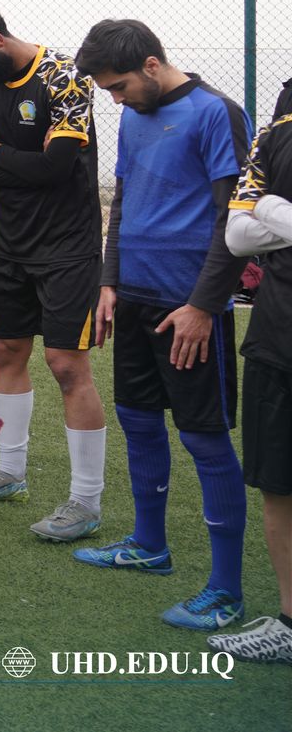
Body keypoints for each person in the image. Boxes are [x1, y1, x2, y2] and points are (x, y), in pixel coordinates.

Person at [70, 19, 251, 631]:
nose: (115, 100)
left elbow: (236, 218)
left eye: (118, 87)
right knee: (139, 420)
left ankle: (226, 591)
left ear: (151, 64)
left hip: (189, 308)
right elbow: (123, 201)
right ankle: (150, 546)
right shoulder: (134, 116)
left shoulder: (216, 113)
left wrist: (204, 305)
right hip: (135, 299)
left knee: (204, 438)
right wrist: (109, 282)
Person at [0, 3, 109, 541]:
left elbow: (59, 167)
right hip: (9, 244)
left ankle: (85, 502)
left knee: (66, 364)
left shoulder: (64, 76)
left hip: (68, 246)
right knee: (7, 351)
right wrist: (16, 158)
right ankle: (10, 474)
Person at [213, 104, 292, 661]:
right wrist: (271, 208)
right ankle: (289, 625)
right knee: (277, 484)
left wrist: (268, 204)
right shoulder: (276, 132)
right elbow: (238, 235)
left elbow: (253, 215)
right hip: (278, 337)